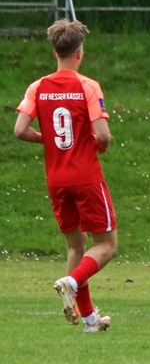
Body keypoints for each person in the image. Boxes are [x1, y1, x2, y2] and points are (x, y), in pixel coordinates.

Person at [14, 19, 117, 333]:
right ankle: (71, 282)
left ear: (54, 52)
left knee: (76, 246)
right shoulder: (87, 86)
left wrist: (52, 140)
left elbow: (19, 130)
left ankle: (88, 320)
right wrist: (96, 141)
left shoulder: (38, 86)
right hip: (85, 176)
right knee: (106, 245)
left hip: (56, 179)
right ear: (80, 53)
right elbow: (103, 134)